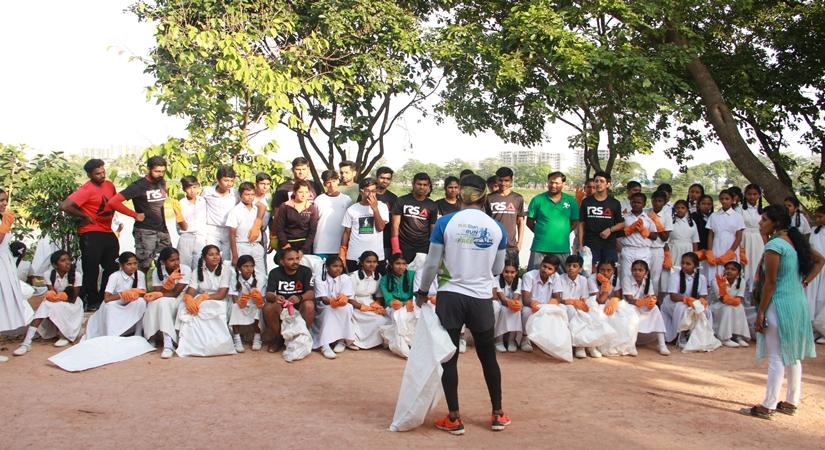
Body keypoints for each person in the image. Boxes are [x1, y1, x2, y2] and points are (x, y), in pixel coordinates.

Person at [415, 174, 510, 434]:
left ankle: (454, 418)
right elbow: (498, 268)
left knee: (450, 357)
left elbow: (432, 264)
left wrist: (423, 291)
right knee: (488, 356)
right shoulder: (496, 227)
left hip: (450, 295)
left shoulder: (446, 222)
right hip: (480, 297)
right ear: (484, 196)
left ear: (461, 194)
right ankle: (498, 413)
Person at [745, 204, 824, 420]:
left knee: (776, 356)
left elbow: (770, 283)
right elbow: (820, 260)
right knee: (793, 356)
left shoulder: (775, 245)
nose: (760, 223)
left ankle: (768, 405)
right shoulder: (794, 240)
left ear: (775, 223)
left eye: (764, 220)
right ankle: (791, 402)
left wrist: (760, 313)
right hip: (797, 302)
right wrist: (804, 281)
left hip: (778, 304)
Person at [61, 159, 119, 311]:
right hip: (91, 232)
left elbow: (114, 202)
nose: (102, 175)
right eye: (97, 173)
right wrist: (84, 216)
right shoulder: (86, 189)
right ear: (89, 174)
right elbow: (65, 206)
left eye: (103, 172)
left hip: (107, 230)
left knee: (112, 265)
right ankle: (91, 300)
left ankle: (104, 296)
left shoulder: (109, 185)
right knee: (91, 269)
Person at [108, 156, 171, 273]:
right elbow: (113, 202)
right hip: (145, 231)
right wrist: (134, 214)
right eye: (157, 171)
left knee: (168, 262)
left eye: (163, 171)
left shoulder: (162, 182)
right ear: (148, 169)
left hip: (162, 230)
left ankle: (162, 289)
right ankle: (139, 289)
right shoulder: (138, 186)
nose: (160, 174)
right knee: (143, 265)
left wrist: (165, 227)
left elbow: (160, 206)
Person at [13, 250, 82, 357]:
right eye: (63, 260)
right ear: (55, 265)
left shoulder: (76, 275)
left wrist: (57, 297)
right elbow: (52, 293)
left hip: (72, 304)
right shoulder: (49, 274)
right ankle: (26, 342)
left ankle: (65, 335)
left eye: (68, 260)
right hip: (56, 301)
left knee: (51, 305)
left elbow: (73, 298)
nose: (68, 262)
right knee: (46, 305)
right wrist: (53, 297)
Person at [177, 245, 235, 357]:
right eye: (211, 254)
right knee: (184, 306)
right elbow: (190, 291)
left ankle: (215, 344)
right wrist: (189, 299)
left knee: (207, 306)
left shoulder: (226, 270)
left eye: (217, 254)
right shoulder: (197, 271)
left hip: (219, 300)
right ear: (204, 257)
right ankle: (192, 344)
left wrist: (203, 297)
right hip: (202, 299)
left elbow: (222, 294)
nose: (215, 257)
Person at [262, 248, 315, 353]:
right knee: (268, 307)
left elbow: (311, 293)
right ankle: (279, 339)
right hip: (282, 307)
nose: (295, 262)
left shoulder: (306, 271)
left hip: (299, 305)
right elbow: (268, 294)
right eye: (290, 259)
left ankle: (303, 337)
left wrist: (300, 298)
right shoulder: (274, 273)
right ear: (282, 261)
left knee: (309, 305)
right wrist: (275, 297)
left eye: (297, 258)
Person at [84, 252, 148, 339]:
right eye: (129, 264)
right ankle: (112, 334)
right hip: (116, 303)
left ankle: (138, 332)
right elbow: (107, 298)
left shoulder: (140, 274)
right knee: (109, 306)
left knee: (141, 301)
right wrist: (123, 294)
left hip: (130, 302)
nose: (133, 266)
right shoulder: (114, 276)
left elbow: (143, 292)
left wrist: (134, 292)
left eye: (135, 263)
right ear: (121, 265)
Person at [526, 171, 579, 271]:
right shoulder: (537, 200)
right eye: (551, 182)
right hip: (540, 247)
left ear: (563, 184)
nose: (553, 185)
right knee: (534, 277)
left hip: (562, 247)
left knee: (563, 278)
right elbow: (529, 222)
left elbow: (575, 222)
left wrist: (563, 233)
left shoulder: (571, 201)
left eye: (557, 183)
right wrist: (541, 233)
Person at [553, 254, 603, 358]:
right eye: (569, 265)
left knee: (591, 313)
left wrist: (582, 305)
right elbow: (557, 298)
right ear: (565, 266)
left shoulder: (583, 280)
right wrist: (571, 302)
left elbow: (584, 298)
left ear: (580, 269)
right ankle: (579, 346)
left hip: (578, 305)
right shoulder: (559, 278)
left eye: (575, 266)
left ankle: (590, 345)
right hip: (564, 305)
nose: (571, 268)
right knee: (572, 312)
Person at [145, 247, 190, 359]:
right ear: (163, 262)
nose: (176, 263)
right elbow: (157, 291)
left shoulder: (185, 269)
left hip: (180, 300)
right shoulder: (157, 271)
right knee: (154, 303)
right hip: (164, 299)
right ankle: (152, 336)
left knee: (162, 302)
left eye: (177, 259)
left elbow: (175, 293)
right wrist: (167, 285)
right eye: (172, 260)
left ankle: (168, 344)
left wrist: (166, 286)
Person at [339, 177, 389, 273]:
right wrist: (342, 252)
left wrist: (375, 209)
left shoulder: (382, 206)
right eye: (367, 191)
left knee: (376, 286)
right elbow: (346, 232)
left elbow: (381, 228)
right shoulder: (352, 209)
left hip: (376, 256)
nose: (371, 194)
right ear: (361, 191)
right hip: (355, 256)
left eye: (373, 191)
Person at [577, 171, 624, 273]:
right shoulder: (586, 202)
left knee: (609, 275)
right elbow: (581, 224)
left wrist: (610, 230)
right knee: (590, 274)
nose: (598, 183)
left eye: (602, 181)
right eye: (596, 181)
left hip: (609, 245)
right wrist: (580, 244)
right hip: (590, 244)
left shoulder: (614, 203)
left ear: (608, 184)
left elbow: (621, 223)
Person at [660, 252, 709, 347]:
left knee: (705, 310)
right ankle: (681, 335)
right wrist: (688, 300)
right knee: (682, 308)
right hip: (674, 302)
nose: (684, 266)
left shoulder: (702, 278)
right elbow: (673, 296)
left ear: (696, 265)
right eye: (682, 263)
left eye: (688, 264)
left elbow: (703, 296)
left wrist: (700, 301)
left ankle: (697, 335)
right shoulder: (675, 276)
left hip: (692, 302)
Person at [312, 256, 356, 359]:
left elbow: (346, 296)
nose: (338, 269)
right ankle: (325, 345)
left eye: (340, 266)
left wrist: (342, 300)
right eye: (334, 266)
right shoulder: (319, 278)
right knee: (329, 310)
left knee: (348, 307)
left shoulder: (345, 278)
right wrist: (333, 301)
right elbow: (323, 299)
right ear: (327, 267)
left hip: (340, 304)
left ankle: (342, 340)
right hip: (324, 305)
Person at [623, 260, 670, 355]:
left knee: (655, 309)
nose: (637, 272)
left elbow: (651, 296)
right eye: (634, 270)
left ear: (646, 272)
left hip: (642, 306)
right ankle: (631, 345)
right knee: (632, 311)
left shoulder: (649, 282)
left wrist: (651, 302)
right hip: (630, 306)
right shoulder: (626, 280)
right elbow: (629, 299)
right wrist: (641, 301)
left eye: (640, 270)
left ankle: (662, 344)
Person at [391, 172, 438, 263]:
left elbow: (433, 229)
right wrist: (395, 247)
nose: (422, 187)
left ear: (428, 186)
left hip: (423, 246)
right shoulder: (401, 201)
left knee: (420, 275)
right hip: (403, 245)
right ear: (413, 184)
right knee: (404, 275)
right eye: (419, 184)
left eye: (425, 185)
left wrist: (432, 249)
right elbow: (395, 225)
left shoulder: (432, 205)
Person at [519, 254, 561, 352]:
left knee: (560, 311)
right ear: (541, 264)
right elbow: (525, 300)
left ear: (554, 271)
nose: (545, 270)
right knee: (526, 312)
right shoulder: (529, 275)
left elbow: (557, 298)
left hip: (547, 306)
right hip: (531, 305)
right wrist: (535, 305)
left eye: (550, 269)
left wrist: (550, 305)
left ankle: (550, 340)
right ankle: (525, 338)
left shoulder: (556, 277)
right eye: (544, 266)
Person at [348, 251, 389, 349]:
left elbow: (378, 297)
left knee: (385, 319)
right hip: (356, 305)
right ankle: (356, 341)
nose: (372, 264)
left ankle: (374, 342)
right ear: (362, 263)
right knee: (376, 320)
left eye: (374, 262)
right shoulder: (353, 276)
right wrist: (362, 306)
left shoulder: (378, 276)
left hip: (370, 303)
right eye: (368, 262)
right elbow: (349, 298)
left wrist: (376, 306)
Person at [226, 182, 266, 281]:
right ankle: (241, 296)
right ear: (240, 195)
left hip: (256, 245)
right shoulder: (235, 211)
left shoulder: (257, 208)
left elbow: (260, 226)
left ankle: (260, 295)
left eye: (252, 194)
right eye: (247, 195)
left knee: (261, 274)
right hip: (242, 246)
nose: (250, 197)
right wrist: (235, 255)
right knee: (240, 276)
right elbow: (232, 234)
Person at [486, 167, 526, 266]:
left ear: (511, 180)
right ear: (497, 180)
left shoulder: (518, 198)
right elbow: (485, 222)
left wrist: (519, 244)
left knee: (511, 276)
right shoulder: (489, 198)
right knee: (493, 277)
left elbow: (521, 222)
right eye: (500, 180)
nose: (503, 183)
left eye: (506, 180)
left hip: (511, 246)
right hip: (493, 245)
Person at [619, 193, 658, 292]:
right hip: (628, 249)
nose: (636, 204)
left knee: (643, 277)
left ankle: (644, 299)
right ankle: (627, 300)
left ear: (644, 204)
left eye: (639, 202)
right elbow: (618, 234)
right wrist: (629, 229)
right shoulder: (624, 217)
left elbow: (655, 236)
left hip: (643, 250)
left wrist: (644, 231)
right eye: (634, 202)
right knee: (626, 276)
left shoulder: (649, 219)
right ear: (630, 202)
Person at [228, 255, 264, 353]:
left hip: (254, 303)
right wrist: (240, 302)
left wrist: (258, 300)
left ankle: (257, 337)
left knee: (258, 309)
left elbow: (261, 299)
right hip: (240, 303)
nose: (249, 269)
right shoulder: (234, 278)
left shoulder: (260, 278)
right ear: (239, 268)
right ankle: (237, 338)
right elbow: (234, 298)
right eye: (245, 266)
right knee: (235, 307)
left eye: (251, 266)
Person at [273, 180, 319, 256]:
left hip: (305, 246)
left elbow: (312, 232)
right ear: (294, 192)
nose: (304, 195)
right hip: (287, 245)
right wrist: (285, 244)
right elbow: (279, 228)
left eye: (306, 192)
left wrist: (303, 250)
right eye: (300, 192)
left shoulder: (312, 208)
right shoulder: (285, 206)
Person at [314, 170, 352, 259]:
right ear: (324, 184)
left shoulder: (347, 200)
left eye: (334, 181)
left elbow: (349, 224)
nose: (331, 185)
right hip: (321, 246)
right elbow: (314, 222)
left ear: (338, 181)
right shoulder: (318, 200)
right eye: (328, 182)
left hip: (340, 246)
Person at [202, 165, 239, 258]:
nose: (229, 184)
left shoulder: (236, 193)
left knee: (227, 258)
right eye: (226, 180)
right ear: (218, 180)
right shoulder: (208, 192)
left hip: (229, 231)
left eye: (231, 181)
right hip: (212, 230)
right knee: (211, 256)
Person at [711, 262, 751, 348]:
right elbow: (721, 299)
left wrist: (734, 301)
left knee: (740, 307)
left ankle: (738, 336)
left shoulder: (741, 281)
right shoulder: (717, 280)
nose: (729, 271)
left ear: (738, 273)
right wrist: (733, 300)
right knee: (728, 308)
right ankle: (724, 338)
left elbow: (739, 298)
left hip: (732, 304)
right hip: (717, 305)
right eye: (727, 269)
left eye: (733, 269)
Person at [706, 189, 744, 277]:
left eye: (727, 199)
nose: (724, 201)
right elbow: (711, 235)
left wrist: (730, 252)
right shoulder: (714, 216)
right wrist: (710, 251)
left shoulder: (737, 216)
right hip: (717, 245)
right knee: (715, 272)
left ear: (732, 200)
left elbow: (739, 236)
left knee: (730, 271)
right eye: (722, 199)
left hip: (731, 246)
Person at [175, 176, 208, 271]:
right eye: (189, 188)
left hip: (201, 237)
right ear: (184, 189)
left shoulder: (203, 201)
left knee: (200, 266)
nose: (192, 191)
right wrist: (178, 214)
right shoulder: (181, 204)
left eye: (194, 187)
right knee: (184, 267)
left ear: (198, 187)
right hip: (186, 237)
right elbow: (182, 227)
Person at [647, 190, 674, 293]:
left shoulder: (667, 216)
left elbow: (665, 238)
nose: (657, 203)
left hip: (658, 249)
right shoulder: (646, 212)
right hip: (645, 248)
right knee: (643, 274)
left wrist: (657, 222)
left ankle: (653, 299)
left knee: (655, 277)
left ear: (664, 202)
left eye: (660, 201)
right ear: (652, 200)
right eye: (655, 201)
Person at [493, 260, 522, 352]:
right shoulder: (496, 279)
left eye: (512, 272)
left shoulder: (519, 281)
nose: (509, 275)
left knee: (516, 310)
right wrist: (511, 303)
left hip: (511, 304)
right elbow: (502, 299)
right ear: (502, 271)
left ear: (516, 272)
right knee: (503, 309)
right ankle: (499, 340)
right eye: (506, 272)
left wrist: (515, 304)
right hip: (501, 304)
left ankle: (511, 340)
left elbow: (516, 298)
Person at [806, 206, 825, 344]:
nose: (817, 219)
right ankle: (811, 330)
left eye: (820, 217)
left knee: (821, 299)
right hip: (815, 267)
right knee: (811, 297)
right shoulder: (814, 231)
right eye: (816, 217)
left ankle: (822, 329)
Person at [741, 184, 765, 282]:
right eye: (749, 194)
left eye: (755, 194)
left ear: (759, 195)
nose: (752, 197)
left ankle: (756, 285)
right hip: (744, 238)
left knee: (757, 261)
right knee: (745, 262)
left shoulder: (763, 211)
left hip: (758, 239)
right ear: (745, 195)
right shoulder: (740, 209)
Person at [374, 166, 398, 263]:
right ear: (377, 178)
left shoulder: (393, 198)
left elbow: (394, 223)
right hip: (368, 239)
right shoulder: (368, 194)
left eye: (388, 179)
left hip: (385, 242)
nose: (385, 181)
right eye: (382, 178)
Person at [669, 200, 700, 270]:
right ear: (674, 209)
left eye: (683, 208)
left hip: (688, 249)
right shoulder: (670, 221)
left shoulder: (692, 223)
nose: (680, 210)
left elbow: (695, 241)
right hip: (674, 249)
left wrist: (695, 255)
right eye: (678, 208)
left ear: (687, 209)